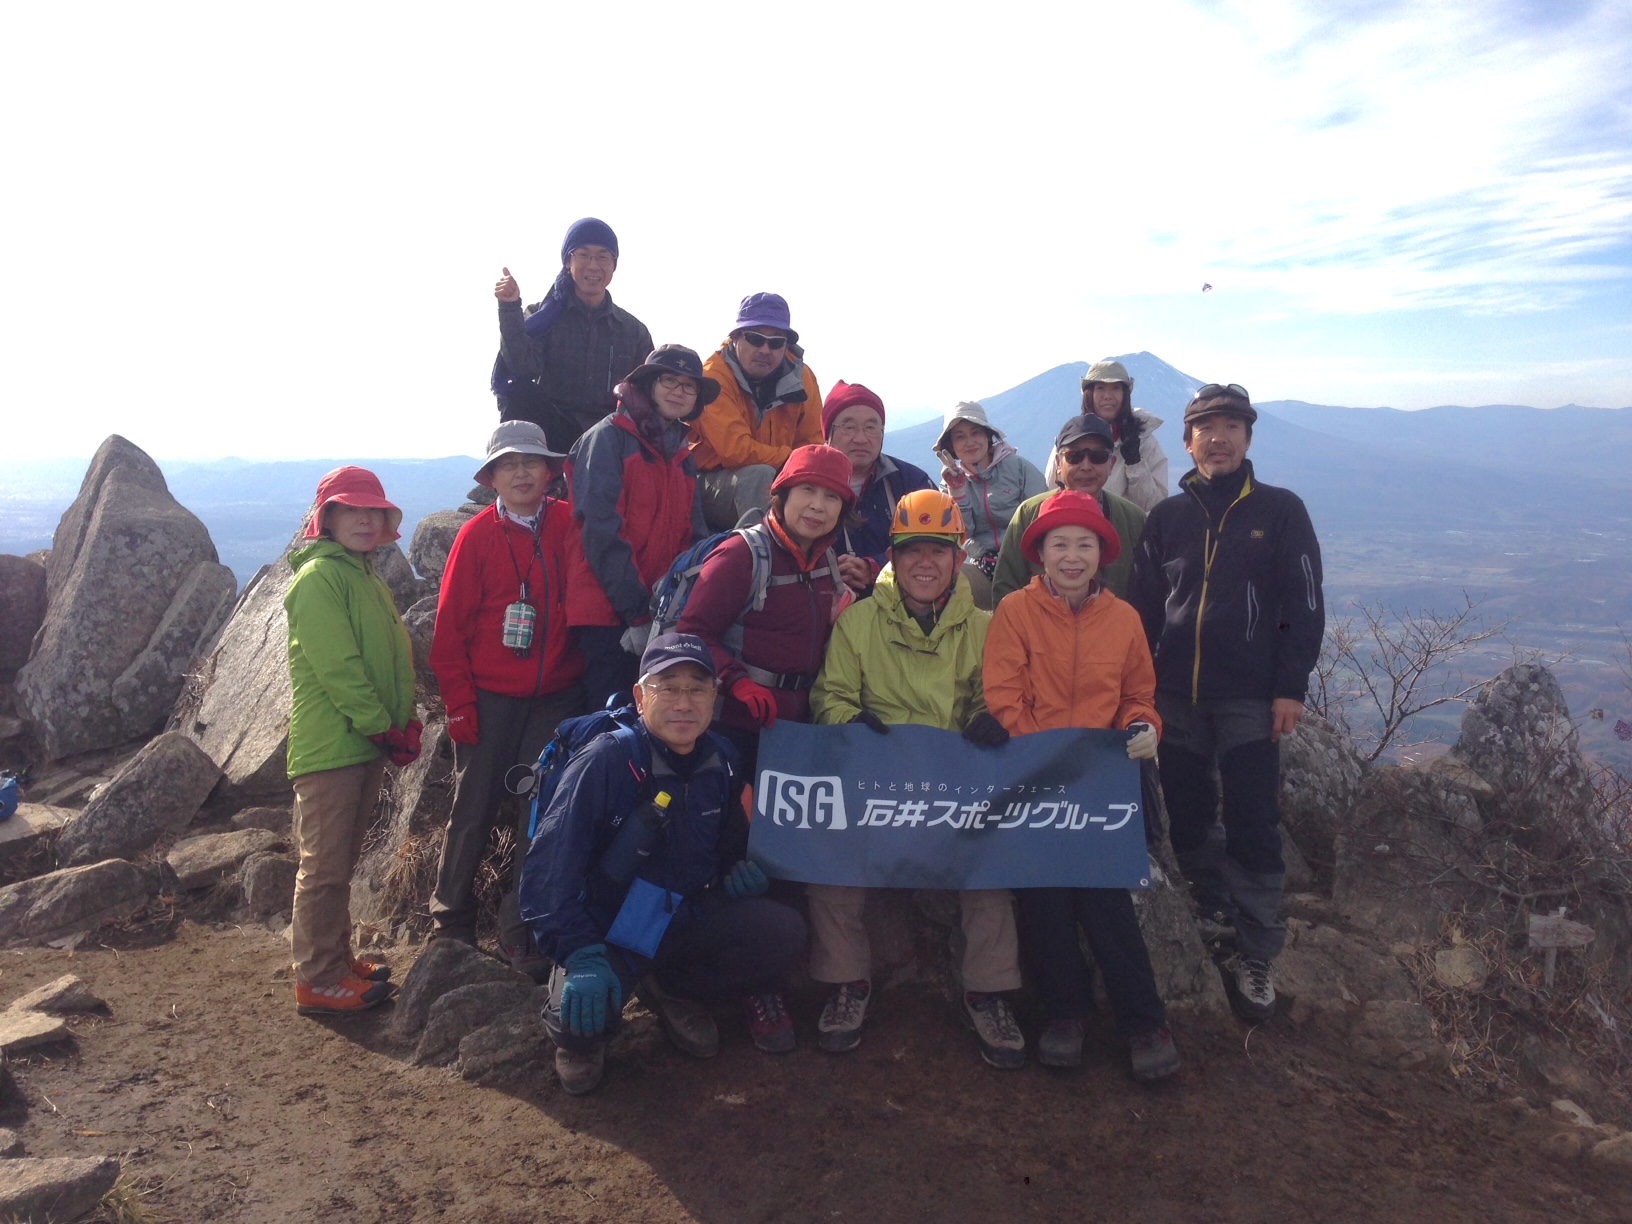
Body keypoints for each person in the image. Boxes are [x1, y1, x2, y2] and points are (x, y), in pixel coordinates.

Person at [519, 633, 809, 1095]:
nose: (684, 702)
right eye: (668, 687)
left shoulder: (722, 760)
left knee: (782, 933)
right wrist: (580, 953)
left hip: (681, 915)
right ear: (640, 696)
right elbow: (548, 872)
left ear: (714, 697)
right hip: (609, 928)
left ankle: (669, 988)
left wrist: (736, 875)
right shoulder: (606, 760)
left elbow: (726, 846)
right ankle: (595, 1014)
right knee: (576, 1024)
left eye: (697, 688)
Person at [808, 490, 1027, 1069]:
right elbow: (830, 695)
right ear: (893, 557)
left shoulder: (983, 628)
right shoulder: (858, 622)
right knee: (830, 863)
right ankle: (848, 982)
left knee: (991, 870)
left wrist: (991, 718)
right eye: (911, 550)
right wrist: (848, 722)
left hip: (953, 791)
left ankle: (986, 993)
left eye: (938, 550)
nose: (924, 562)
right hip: (876, 788)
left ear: (958, 558)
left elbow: (994, 696)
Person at [1128, 383, 1324, 1022]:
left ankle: (1258, 948)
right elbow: (1141, 610)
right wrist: (1136, 689)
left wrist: (1290, 687)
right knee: (1186, 812)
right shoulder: (1168, 517)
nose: (1219, 438)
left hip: (1248, 694)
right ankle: (1212, 911)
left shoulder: (1281, 510)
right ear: (1187, 442)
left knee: (1252, 818)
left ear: (1248, 438)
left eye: (1232, 426)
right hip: (1174, 695)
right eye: (1206, 428)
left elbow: (1303, 604)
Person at [982, 490, 1180, 1080]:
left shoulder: (1124, 620)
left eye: (1084, 545)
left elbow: (1137, 695)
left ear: (1102, 553)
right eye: (1060, 544)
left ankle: (1144, 1022)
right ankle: (1065, 1014)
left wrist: (1143, 727)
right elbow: (1004, 696)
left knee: (1106, 902)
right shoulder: (1014, 611)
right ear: (1040, 552)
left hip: (1100, 787)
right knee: (1044, 901)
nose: (1072, 556)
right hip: (1035, 781)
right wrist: (1048, 758)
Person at [429, 422, 587, 972]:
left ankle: (520, 929)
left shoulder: (568, 524)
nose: (521, 473)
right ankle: (450, 921)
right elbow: (448, 630)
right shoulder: (475, 536)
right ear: (492, 478)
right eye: (509, 464)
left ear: (550, 472)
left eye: (532, 462)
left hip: (555, 697)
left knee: (537, 814)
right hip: (489, 696)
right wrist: (459, 704)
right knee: (471, 808)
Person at [284, 467, 419, 1015]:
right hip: (331, 746)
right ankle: (316, 979)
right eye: (351, 510)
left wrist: (403, 721)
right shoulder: (319, 578)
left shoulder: (364, 576)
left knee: (338, 862)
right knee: (323, 867)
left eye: (372, 511)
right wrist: (385, 727)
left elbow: (392, 663)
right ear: (328, 518)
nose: (364, 520)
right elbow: (338, 669)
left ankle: (336, 962)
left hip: (360, 742)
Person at [675, 444, 854, 780]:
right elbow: (691, 633)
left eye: (832, 497)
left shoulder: (826, 562)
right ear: (782, 494)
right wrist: (736, 681)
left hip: (796, 729)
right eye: (807, 489)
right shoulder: (740, 555)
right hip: (732, 727)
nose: (818, 505)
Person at [565, 345, 715, 711]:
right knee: (608, 720)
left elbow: (693, 537)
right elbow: (601, 529)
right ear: (648, 384)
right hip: (607, 614)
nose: (679, 391)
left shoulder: (681, 453)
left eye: (689, 386)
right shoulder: (608, 437)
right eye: (669, 380)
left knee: (649, 721)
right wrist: (637, 612)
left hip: (655, 615)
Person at [493, 217, 654, 453]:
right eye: (583, 255)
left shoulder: (633, 331)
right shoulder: (541, 316)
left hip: (609, 438)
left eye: (602, 257)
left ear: (614, 265)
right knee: (519, 392)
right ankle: (523, 468)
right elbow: (523, 368)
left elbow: (648, 394)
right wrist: (509, 308)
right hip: (552, 428)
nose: (593, 265)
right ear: (568, 262)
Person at [689, 293, 824, 531]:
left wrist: (798, 466)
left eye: (776, 343)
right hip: (707, 482)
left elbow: (813, 442)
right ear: (735, 338)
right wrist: (794, 460)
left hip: (779, 476)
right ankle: (762, 551)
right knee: (759, 478)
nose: (765, 349)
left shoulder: (803, 378)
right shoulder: (713, 377)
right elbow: (736, 452)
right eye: (755, 339)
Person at [991, 415, 1146, 602]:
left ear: (1111, 464)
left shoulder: (1133, 519)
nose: (1086, 466)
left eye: (1098, 457)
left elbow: (1145, 592)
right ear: (1058, 463)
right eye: (1074, 457)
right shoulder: (1029, 513)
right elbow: (1005, 586)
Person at [822, 380, 933, 594]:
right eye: (849, 427)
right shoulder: (803, 482)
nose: (861, 438)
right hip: (823, 598)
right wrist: (829, 571)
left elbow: (938, 545)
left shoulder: (911, 482)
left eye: (871, 427)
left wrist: (875, 567)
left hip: (902, 596)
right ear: (828, 434)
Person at [934, 400, 1047, 607]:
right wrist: (958, 492)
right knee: (944, 579)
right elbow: (959, 536)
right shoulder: (948, 484)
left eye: (976, 433)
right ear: (951, 446)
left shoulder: (1017, 467)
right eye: (960, 437)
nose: (970, 442)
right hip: (984, 568)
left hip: (1029, 563)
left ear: (988, 435)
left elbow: (1043, 514)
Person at [1079, 360, 1169, 512]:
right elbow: (1054, 492)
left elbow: (1156, 506)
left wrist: (1135, 464)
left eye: (1116, 388)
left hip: (1127, 527)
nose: (1108, 396)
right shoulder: (1071, 441)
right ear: (1089, 394)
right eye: (1100, 388)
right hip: (1080, 527)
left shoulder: (1145, 443)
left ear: (1125, 395)